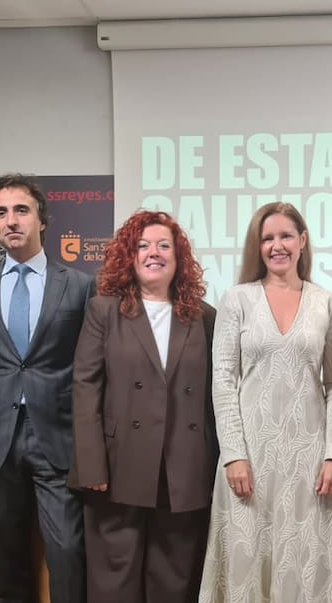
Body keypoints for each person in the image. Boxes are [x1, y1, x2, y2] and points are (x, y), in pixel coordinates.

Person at [200, 202, 332, 603]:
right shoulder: (236, 299)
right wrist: (233, 455)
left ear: (303, 240)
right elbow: (223, 381)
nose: (277, 245)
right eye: (267, 238)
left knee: (309, 564)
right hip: (250, 458)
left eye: (286, 236)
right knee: (248, 561)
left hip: (311, 461)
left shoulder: (327, 302)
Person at [69, 210, 217, 602]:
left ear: (178, 257)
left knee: (175, 581)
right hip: (117, 469)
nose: (154, 253)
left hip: (183, 469)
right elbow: (85, 387)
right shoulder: (104, 310)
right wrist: (91, 465)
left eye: (164, 245)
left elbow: (213, 397)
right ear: (129, 256)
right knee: (113, 583)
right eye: (143, 245)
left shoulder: (204, 316)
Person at [0, 174, 95, 603]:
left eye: (21, 210)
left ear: (42, 220)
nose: (11, 220)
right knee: (7, 560)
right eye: (1, 213)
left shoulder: (80, 285)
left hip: (58, 437)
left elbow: (89, 365)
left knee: (68, 553)